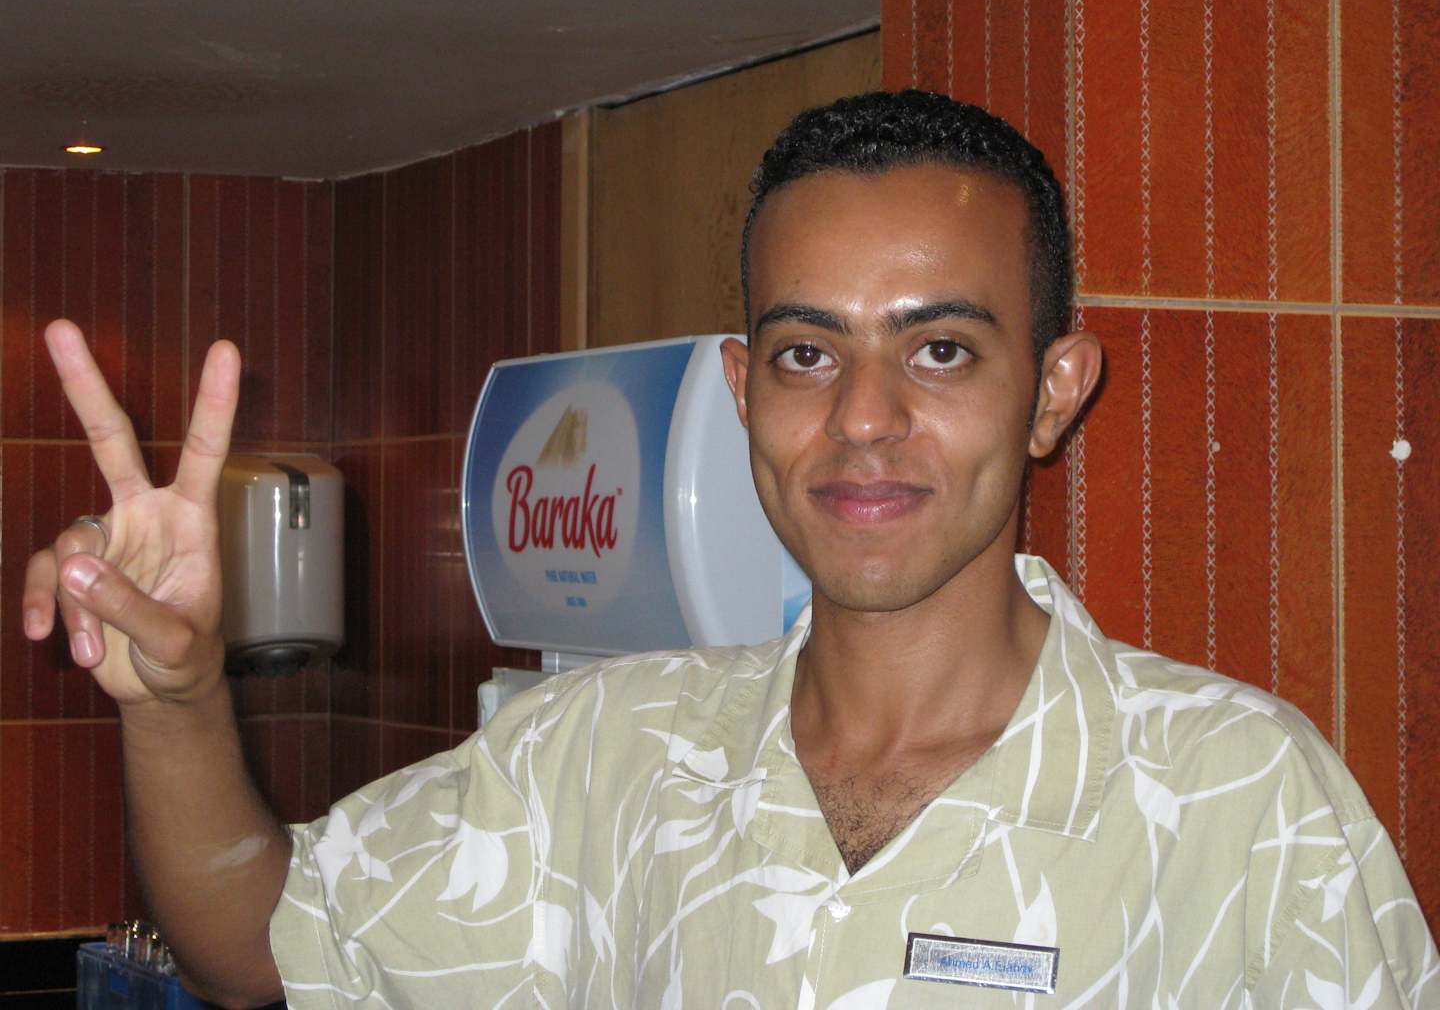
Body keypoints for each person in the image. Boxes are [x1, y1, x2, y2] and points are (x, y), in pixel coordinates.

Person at [23, 91, 1436, 1008]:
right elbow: (261, 944)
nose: (864, 419)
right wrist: (177, 700)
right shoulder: (599, 761)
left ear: (1055, 390)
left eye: (941, 350)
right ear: (743, 389)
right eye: (808, 352)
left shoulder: (1242, 802)